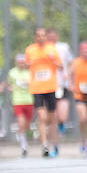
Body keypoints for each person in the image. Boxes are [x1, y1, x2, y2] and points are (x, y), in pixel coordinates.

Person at [25, 27, 63, 157]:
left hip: (50, 87)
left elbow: (61, 66)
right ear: (35, 37)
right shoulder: (30, 50)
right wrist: (27, 65)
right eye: (38, 35)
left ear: (46, 37)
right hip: (37, 88)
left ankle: (54, 143)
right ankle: (45, 144)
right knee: (42, 116)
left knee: (52, 118)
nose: (40, 37)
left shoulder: (52, 49)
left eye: (43, 35)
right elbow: (26, 65)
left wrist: (53, 60)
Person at [70, 41, 87, 157]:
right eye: (84, 52)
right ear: (80, 52)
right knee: (83, 119)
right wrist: (71, 84)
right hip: (80, 95)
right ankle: (83, 139)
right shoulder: (76, 62)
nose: (86, 54)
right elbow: (69, 73)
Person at [49, 29, 73, 138]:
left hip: (62, 85)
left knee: (62, 115)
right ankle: (53, 134)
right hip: (48, 86)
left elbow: (71, 63)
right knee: (51, 113)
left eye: (53, 36)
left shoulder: (64, 47)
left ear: (57, 36)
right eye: (49, 36)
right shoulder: (43, 49)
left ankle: (61, 123)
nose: (52, 38)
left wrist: (69, 76)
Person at [7, 54, 33, 156]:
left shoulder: (30, 72)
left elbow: (35, 84)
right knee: (21, 123)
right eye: (19, 62)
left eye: (23, 62)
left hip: (29, 100)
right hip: (18, 101)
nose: (21, 64)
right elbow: (9, 84)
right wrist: (10, 89)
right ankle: (24, 146)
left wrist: (30, 83)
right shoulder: (12, 73)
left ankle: (22, 135)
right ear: (16, 63)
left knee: (27, 126)